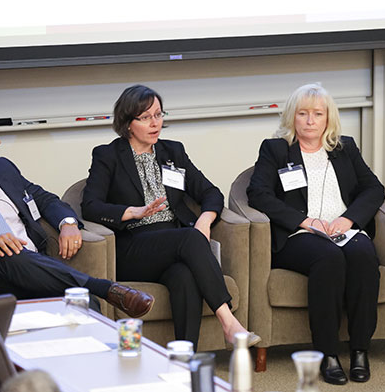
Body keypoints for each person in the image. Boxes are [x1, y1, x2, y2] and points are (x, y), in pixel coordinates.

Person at [0, 103, 154, 318]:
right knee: (9, 255)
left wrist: (67, 222)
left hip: (36, 264)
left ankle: (99, 345)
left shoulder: (2, 168)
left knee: (82, 300)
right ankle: (104, 288)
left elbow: (43, 198)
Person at [81, 84, 259, 348]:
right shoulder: (108, 155)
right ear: (128, 123)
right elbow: (90, 206)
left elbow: (211, 192)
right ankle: (228, 321)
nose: (155, 123)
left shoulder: (173, 152)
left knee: (184, 276)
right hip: (134, 245)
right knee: (189, 239)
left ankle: (186, 362)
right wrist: (133, 212)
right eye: (145, 117)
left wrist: (204, 220)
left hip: (176, 245)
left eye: (158, 115)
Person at [247, 83, 384, 385]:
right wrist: (304, 221)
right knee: (329, 258)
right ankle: (328, 353)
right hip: (299, 235)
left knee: (363, 255)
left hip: (342, 228)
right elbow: (257, 193)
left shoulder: (344, 147)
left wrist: (349, 219)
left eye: (317, 114)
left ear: (328, 118)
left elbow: (374, 189)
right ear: (292, 117)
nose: (310, 121)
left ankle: (360, 349)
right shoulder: (276, 149)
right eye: (303, 114)